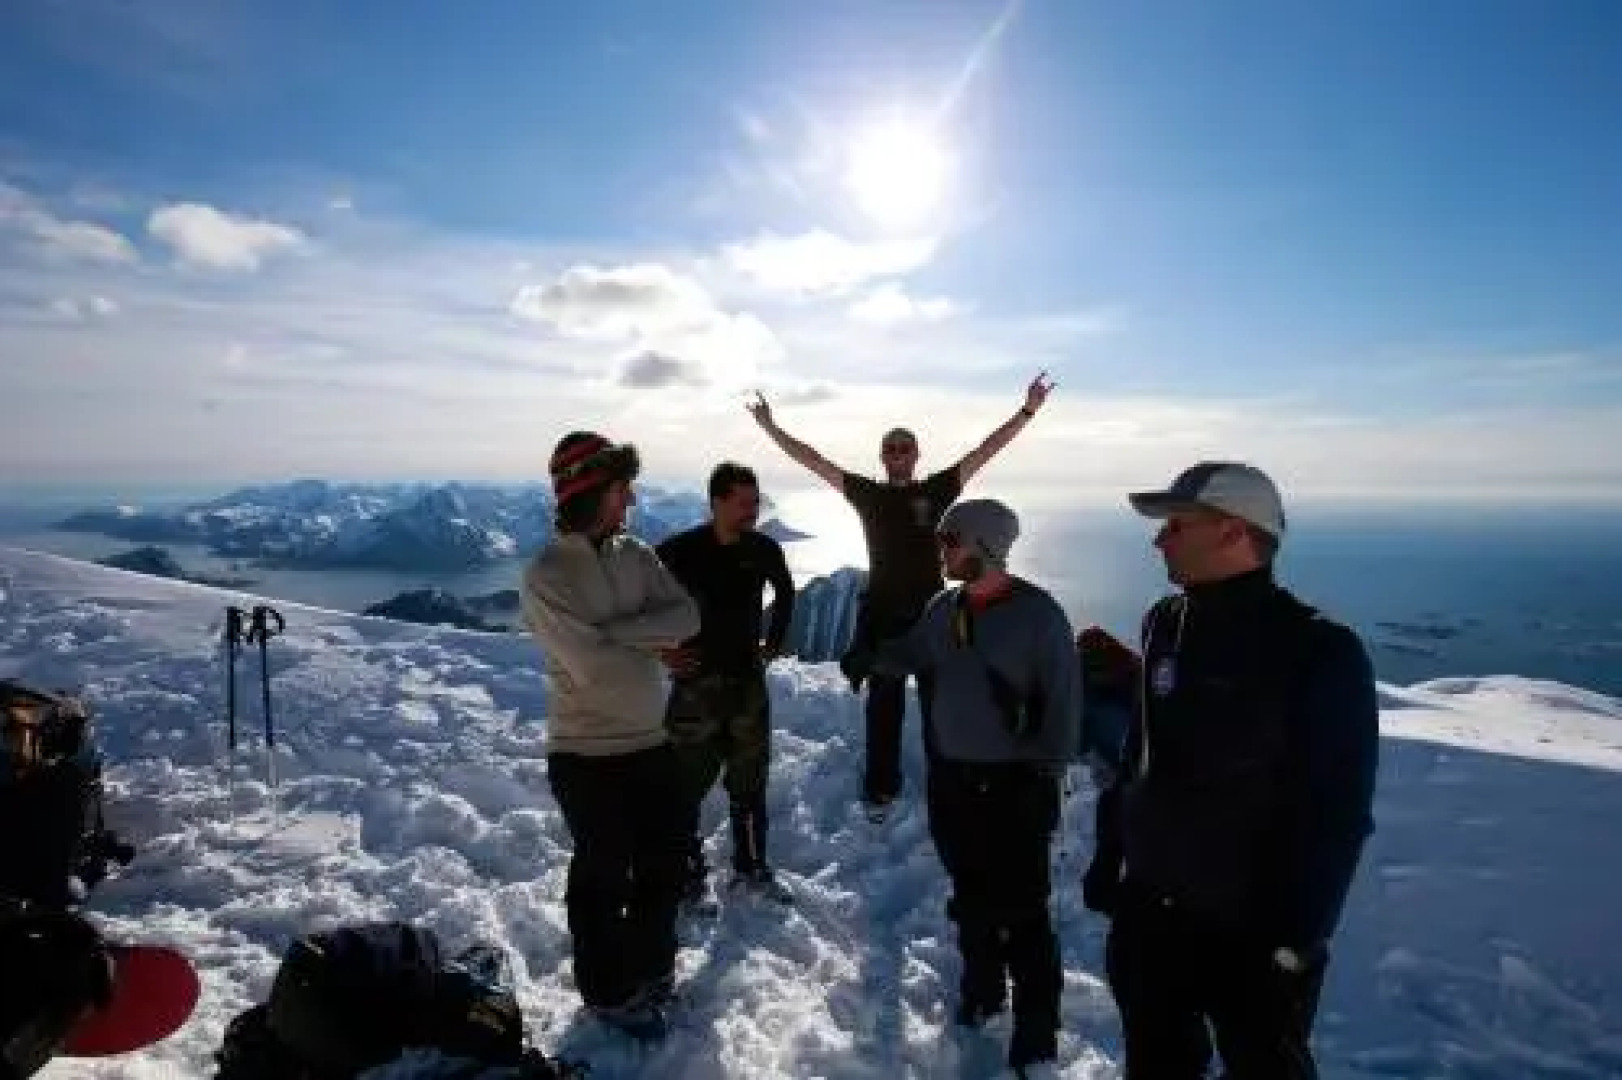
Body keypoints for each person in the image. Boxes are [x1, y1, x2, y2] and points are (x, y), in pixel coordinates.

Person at [1082, 462, 1380, 1079]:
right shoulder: (1165, 621)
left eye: (1175, 525)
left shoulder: (1319, 651)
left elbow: (1337, 814)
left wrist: (1292, 943)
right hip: (1153, 917)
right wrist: (1112, 851)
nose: (1158, 540)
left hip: (1251, 936)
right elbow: (1142, 750)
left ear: (1231, 531)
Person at [746, 373, 1055, 820]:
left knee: (941, 709)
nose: (897, 454)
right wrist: (771, 429)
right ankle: (880, 792)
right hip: (886, 618)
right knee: (883, 709)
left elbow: (984, 452)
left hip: (934, 618)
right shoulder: (867, 495)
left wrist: (1027, 411)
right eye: (890, 447)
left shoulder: (938, 489)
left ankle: (947, 791)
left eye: (904, 447)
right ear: (882, 456)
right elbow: (814, 462)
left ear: (916, 455)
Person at [864, 498, 1081, 1077]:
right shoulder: (944, 608)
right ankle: (983, 993)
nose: (941, 550)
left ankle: (1036, 1038)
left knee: (1026, 914)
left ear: (983, 546)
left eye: (949, 540)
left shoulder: (1040, 617)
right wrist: (872, 656)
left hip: (1014, 788)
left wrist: (1044, 779)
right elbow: (913, 653)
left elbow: (1063, 707)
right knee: (971, 898)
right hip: (954, 782)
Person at [519, 431, 701, 1039]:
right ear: (591, 490)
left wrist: (614, 631)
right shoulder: (547, 574)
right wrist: (651, 645)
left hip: (651, 744)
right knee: (602, 875)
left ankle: (651, 971)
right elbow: (592, 668)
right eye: (621, 488)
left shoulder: (636, 554)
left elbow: (688, 617)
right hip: (585, 753)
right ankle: (605, 991)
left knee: (664, 867)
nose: (631, 499)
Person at [654, 462, 796, 905]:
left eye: (755, 502)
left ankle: (751, 867)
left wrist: (772, 643)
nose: (752, 512)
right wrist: (661, 650)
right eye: (743, 503)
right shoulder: (680, 550)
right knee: (683, 789)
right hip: (695, 687)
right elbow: (634, 596)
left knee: (749, 784)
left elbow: (786, 592)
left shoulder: (763, 549)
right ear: (716, 502)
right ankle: (686, 875)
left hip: (747, 687)